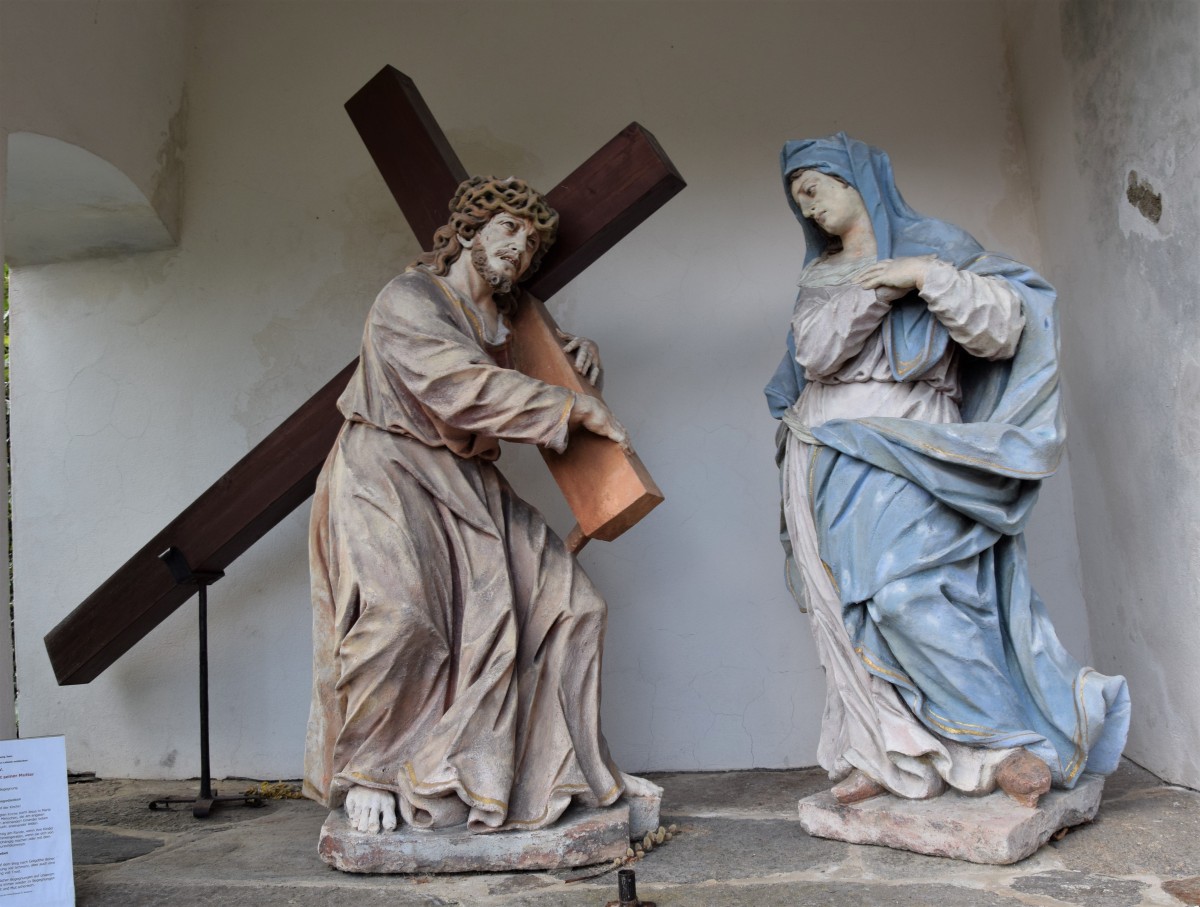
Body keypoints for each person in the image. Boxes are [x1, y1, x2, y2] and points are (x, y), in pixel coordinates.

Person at [765, 134, 1129, 807]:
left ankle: (1004, 744)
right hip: (827, 450)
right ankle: (884, 748)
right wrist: (878, 290)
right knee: (847, 606)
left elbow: (1005, 328)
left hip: (919, 441)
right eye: (798, 202)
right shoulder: (822, 276)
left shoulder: (940, 247)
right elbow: (814, 355)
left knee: (910, 593)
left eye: (814, 189)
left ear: (854, 179)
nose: (809, 209)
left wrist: (927, 276)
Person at [304, 175, 657, 834]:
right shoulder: (407, 298)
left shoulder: (507, 321)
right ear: (468, 231)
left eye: (532, 244)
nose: (520, 248)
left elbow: (524, 364)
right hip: (387, 468)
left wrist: (579, 359)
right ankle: (371, 770)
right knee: (403, 616)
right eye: (508, 229)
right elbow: (458, 385)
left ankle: (560, 769)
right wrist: (570, 405)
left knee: (572, 607)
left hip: (466, 478)